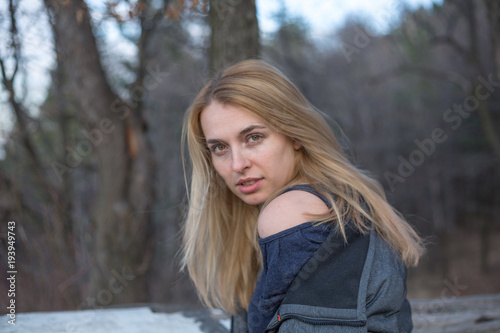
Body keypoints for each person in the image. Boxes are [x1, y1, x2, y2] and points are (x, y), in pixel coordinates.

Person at [180, 59, 424, 332]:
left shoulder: (290, 212)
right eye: (220, 147)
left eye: (254, 138)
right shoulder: (337, 198)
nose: (237, 165)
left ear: (294, 134)